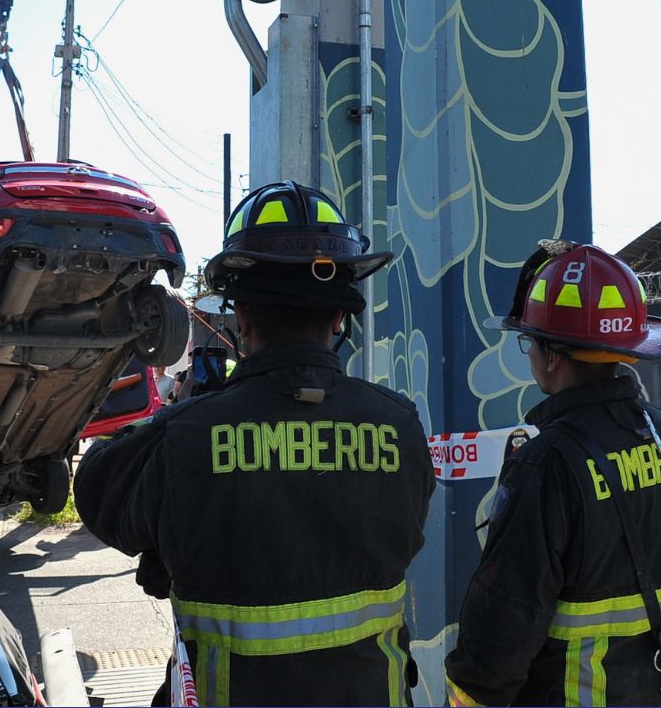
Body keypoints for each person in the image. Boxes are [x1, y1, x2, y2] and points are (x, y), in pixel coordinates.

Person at [74, 181, 436, 707]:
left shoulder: (186, 436)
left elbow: (96, 489)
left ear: (240, 315)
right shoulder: (399, 426)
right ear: (340, 317)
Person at [445, 241, 661, 707]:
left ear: (553, 356)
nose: (530, 355)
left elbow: (504, 624)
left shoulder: (547, 463)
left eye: (529, 342)